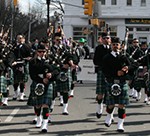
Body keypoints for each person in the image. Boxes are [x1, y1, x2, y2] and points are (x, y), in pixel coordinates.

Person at [102, 37, 136, 132]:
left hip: (122, 82)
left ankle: (120, 125)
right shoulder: (107, 57)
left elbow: (134, 64)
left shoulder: (124, 56)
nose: (115, 46)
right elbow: (104, 70)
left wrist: (127, 68)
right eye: (114, 44)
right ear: (111, 45)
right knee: (111, 104)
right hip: (111, 82)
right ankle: (109, 116)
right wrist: (116, 73)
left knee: (122, 105)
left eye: (117, 44)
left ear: (120, 46)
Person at [27, 44, 57, 133]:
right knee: (37, 105)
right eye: (40, 52)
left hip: (48, 84)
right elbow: (32, 75)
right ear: (37, 52)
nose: (42, 53)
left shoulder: (50, 60)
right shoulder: (33, 62)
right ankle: (38, 118)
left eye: (43, 52)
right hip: (37, 83)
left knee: (45, 104)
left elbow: (57, 69)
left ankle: (45, 124)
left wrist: (51, 74)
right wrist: (41, 79)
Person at [93, 32, 111, 119]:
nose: (106, 40)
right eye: (104, 38)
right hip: (102, 71)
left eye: (108, 38)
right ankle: (99, 108)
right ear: (102, 39)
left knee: (110, 94)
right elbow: (95, 61)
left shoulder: (112, 48)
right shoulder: (98, 48)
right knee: (100, 93)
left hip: (111, 73)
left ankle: (109, 114)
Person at [11, 35, 31, 101]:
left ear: (23, 39)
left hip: (23, 64)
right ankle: (16, 92)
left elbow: (30, 56)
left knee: (22, 80)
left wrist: (26, 59)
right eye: (18, 38)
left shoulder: (26, 47)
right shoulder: (14, 46)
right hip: (15, 64)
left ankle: (21, 94)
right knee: (15, 80)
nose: (19, 39)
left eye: (20, 38)